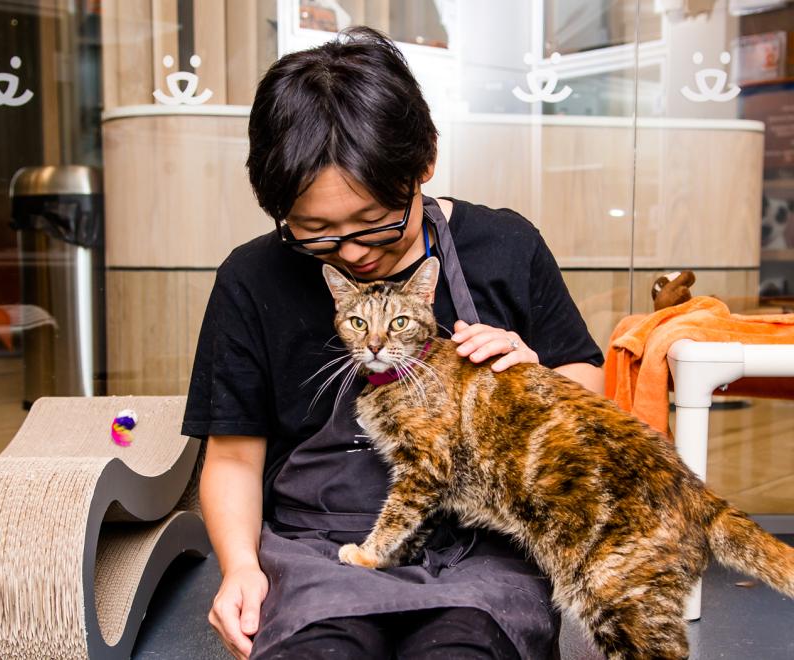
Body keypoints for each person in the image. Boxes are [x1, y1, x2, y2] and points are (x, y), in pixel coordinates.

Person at [183, 26, 604, 660]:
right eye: (315, 232)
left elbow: (590, 384)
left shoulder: (506, 247)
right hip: (317, 549)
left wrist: (538, 380)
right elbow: (234, 457)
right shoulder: (251, 278)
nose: (352, 253)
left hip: (481, 544)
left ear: (424, 161)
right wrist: (240, 567)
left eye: (376, 223)